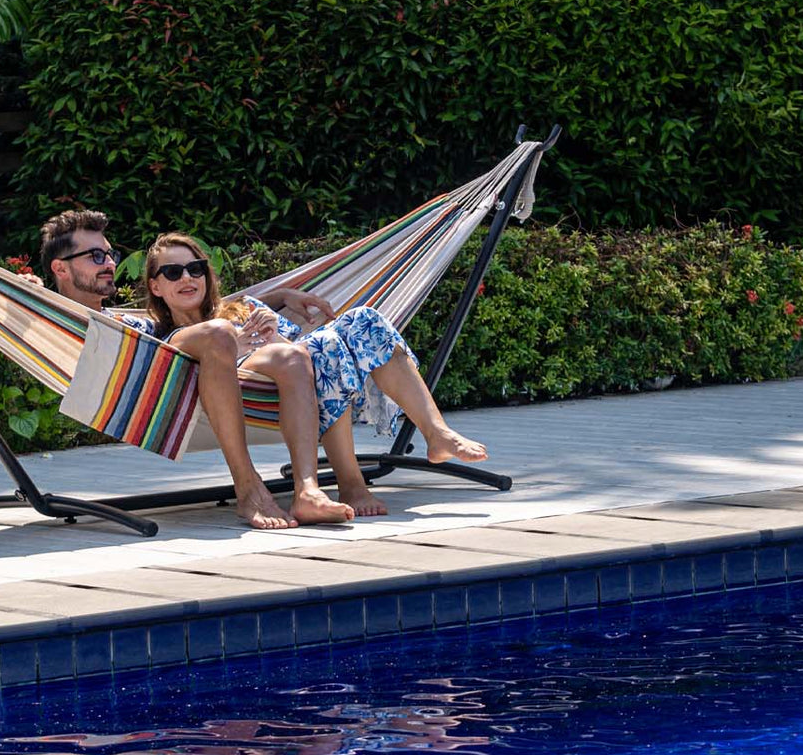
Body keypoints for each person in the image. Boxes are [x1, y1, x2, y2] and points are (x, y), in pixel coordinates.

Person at [37, 209, 354, 528]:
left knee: (236, 335)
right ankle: (247, 486)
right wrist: (28, 298)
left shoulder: (130, 322)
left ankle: (303, 490)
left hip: (184, 373)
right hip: (164, 381)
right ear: (60, 269)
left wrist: (278, 296)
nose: (109, 263)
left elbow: (199, 308)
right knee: (219, 331)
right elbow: (206, 323)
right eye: (95, 255)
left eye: (109, 253)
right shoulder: (47, 317)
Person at [141, 233, 489, 518]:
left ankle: (437, 432)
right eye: (173, 273)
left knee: (365, 320)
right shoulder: (171, 337)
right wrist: (240, 341)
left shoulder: (241, 307)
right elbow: (218, 358)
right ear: (156, 287)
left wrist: (276, 316)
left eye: (195, 268)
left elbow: (294, 346)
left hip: (301, 369)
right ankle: (345, 483)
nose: (187, 277)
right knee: (318, 349)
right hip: (257, 379)